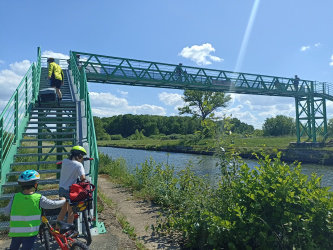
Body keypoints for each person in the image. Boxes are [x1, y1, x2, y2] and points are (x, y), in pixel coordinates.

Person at [4, 170, 65, 250]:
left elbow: (6, 213)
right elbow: (53, 204)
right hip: (30, 232)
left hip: (15, 232)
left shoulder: (15, 197)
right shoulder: (38, 198)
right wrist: (63, 200)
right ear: (35, 185)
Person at [57, 146, 87, 225]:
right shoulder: (78, 165)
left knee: (63, 211)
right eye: (82, 156)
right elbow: (83, 178)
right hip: (70, 190)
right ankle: (68, 231)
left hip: (61, 189)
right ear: (79, 156)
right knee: (71, 212)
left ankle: (57, 229)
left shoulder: (64, 161)